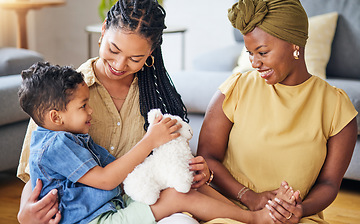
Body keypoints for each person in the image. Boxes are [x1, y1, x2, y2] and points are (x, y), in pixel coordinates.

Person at [18, 61, 288, 224]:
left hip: (112, 203)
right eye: (83, 106)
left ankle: (244, 212)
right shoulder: (56, 141)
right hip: (95, 219)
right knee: (178, 195)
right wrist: (149, 142)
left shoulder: (66, 131)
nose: (90, 111)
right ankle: (255, 218)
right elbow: (104, 180)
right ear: (55, 117)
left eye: (135, 57)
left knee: (180, 184)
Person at [16, 0, 199, 224]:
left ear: (150, 54)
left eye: (135, 58)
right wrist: (25, 213)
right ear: (103, 30)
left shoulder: (157, 95)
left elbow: (172, 158)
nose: (120, 65)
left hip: (140, 203)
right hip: (83, 215)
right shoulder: (62, 94)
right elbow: (37, 173)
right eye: (114, 49)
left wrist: (199, 170)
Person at [197, 0, 358, 224]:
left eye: (262, 52)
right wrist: (251, 198)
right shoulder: (236, 89)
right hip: (230, 211)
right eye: (250, 53)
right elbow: (207, 156)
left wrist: (299, 210)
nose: (255, 63)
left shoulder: (336, 107)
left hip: (296, 219)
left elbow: (329, 184)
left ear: (295, 45)